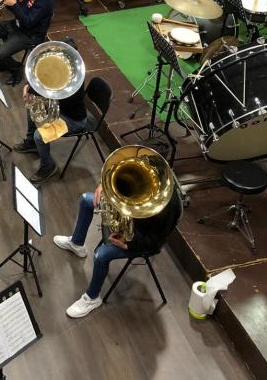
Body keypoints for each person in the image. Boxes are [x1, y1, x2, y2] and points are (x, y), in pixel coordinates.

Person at [55, 183, 181, 318]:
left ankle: (92, 298)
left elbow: (155, 242)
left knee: (101, 255)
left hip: (140, 239)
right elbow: (115, 174)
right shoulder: (145, 172)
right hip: (128, 213)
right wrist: (103, 184)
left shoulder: (169, 206)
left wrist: (129, 245)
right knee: (86, 200)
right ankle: (76, 244)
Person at [13, 38, 89, 183]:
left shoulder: (75, 79)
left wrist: (34, 90)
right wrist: (28, 87)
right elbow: (41, 76)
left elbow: (57, 95)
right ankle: (31, 143)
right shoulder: (58, 65)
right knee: (32, 105)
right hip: (60, 110)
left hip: (74, 120)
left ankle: (48, 166)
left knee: (40, 136)